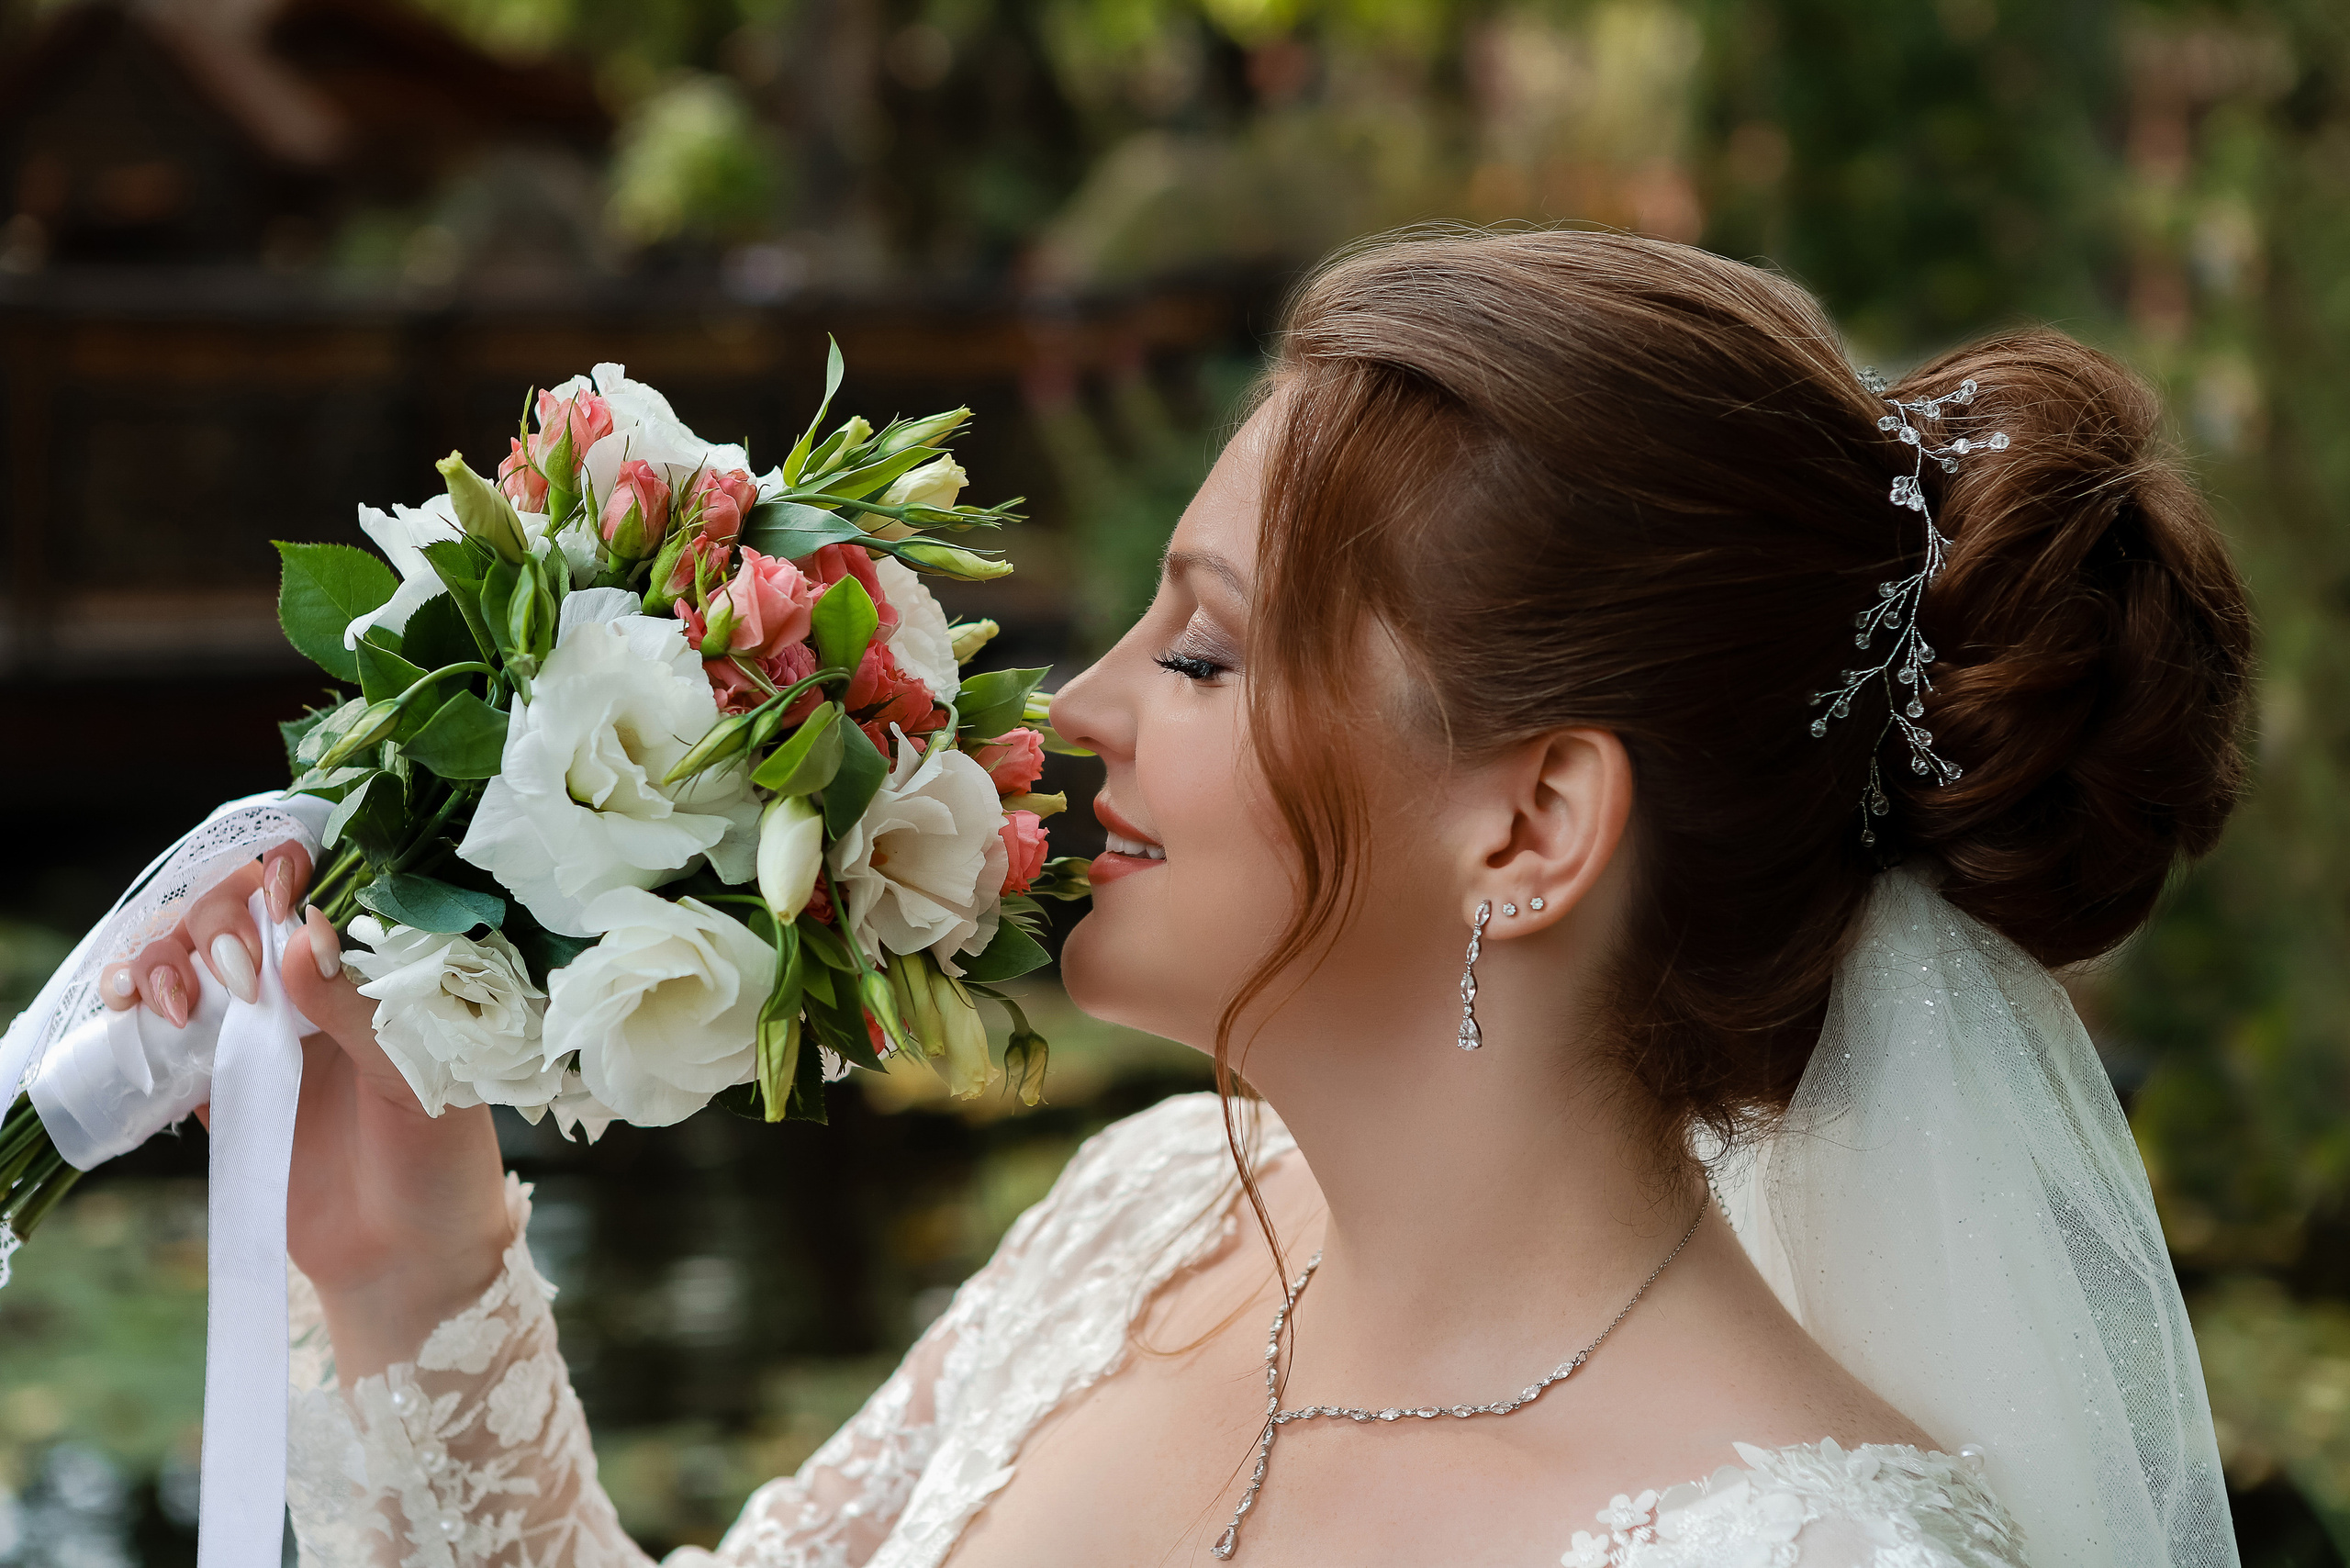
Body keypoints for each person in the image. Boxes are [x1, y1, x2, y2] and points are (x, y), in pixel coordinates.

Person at [107, 230, 2251, 1568]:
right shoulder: (1147, 1222)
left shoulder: (1808, 1550)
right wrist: (408, 1264)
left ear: (1530, 825)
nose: (1084, 709)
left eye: (1206, 652)